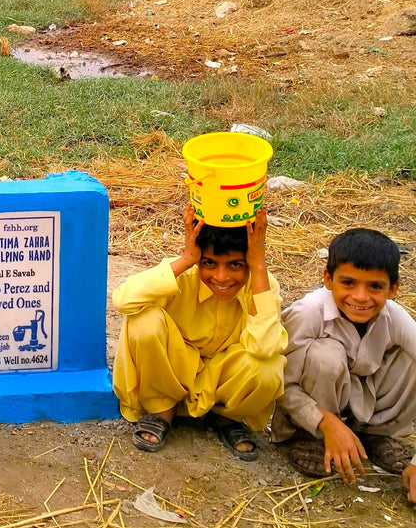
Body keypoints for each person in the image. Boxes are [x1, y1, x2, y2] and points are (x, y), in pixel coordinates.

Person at [112, 206, 287, 459]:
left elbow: (266, 347)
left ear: (249, 260)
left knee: (269, 367)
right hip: (176, 372)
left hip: (222, 378)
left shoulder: (261, 283)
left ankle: (226, 416)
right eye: (209, 263)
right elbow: (123, 300)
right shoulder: (184, 273)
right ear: (198, 257)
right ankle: (162, 408)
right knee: (143, 322)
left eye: (236, 264)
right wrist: (185, 260)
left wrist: (258, 266)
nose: (222, 276)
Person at [271, 228, 416, 500]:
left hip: (363, 403)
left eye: (375, 286)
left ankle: (374, 435)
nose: (360, 297)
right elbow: (280, 383)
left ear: (393, 289)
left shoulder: (394, 317)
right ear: (328, 279)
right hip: (311, 411)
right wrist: (324, 422)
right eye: (348, 283)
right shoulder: (308, 313)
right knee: (325, 355)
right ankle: (310, 437)